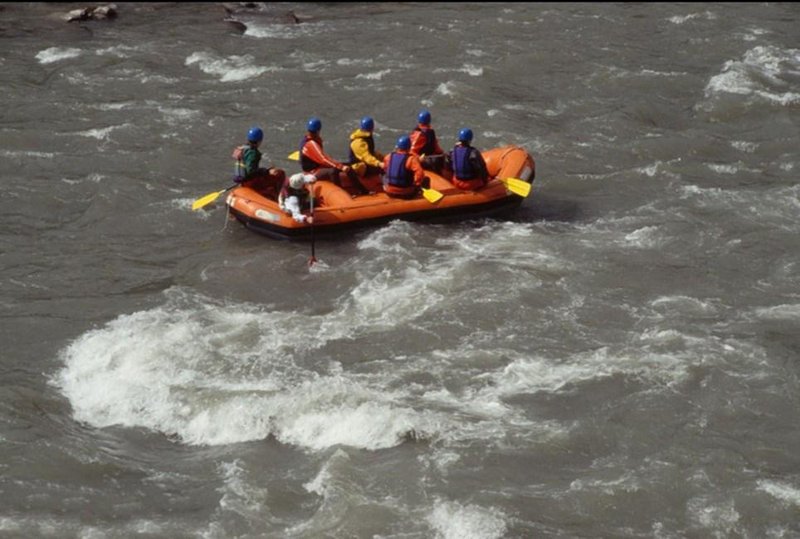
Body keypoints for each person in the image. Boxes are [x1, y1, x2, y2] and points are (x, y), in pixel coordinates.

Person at [299, 117, 370, 195]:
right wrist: (341, 167)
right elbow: (323, 159)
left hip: (319, 167)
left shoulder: (311, 139)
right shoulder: (311, 144)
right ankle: (341, 193)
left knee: (348, 166)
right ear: (318, 130)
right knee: (333, 171)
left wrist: (340, 166)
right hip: (312, 172)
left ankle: (362, 190)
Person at [232, 126, 286, 199]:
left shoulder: (242, 149)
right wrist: (264, 171)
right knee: (280, 174)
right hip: (251, 182)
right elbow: (251, 171)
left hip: (244, 181)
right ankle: (278, 198)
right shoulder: (253, 153)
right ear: (259, 141)